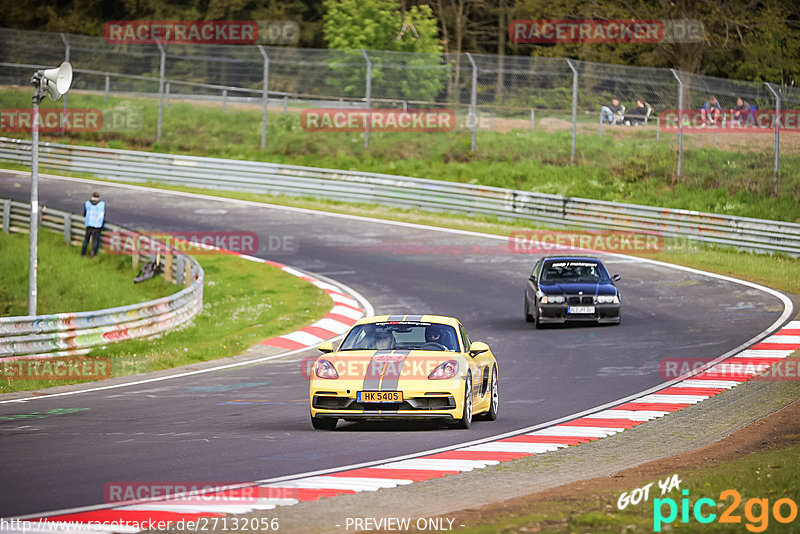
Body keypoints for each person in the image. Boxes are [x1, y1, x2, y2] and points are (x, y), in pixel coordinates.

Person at [81, 192, 106, 257]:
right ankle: (94, 255)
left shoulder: (87, 203)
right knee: (95, 241)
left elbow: (84, 213)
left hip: (89, 224)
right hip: (97, 225)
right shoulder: (102, 204)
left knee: (86, 240)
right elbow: (103, 214)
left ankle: (83, 254)